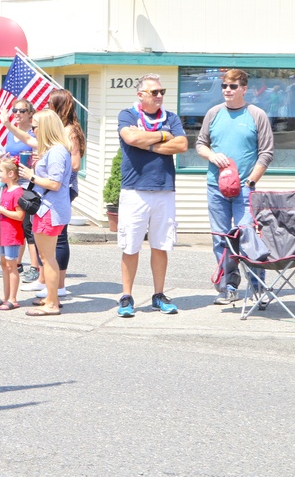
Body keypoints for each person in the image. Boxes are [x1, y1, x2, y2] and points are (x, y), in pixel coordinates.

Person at [195, 69, 274, 304]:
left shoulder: (256, 114)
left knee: (247, 235)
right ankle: (229, 286)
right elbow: (200, 144)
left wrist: (250, 181)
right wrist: (211, 156)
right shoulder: (213, 113)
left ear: (244, 89)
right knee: (221, 239)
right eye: (224, 86)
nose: (227, 90)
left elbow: (266, 153)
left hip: (245, 189)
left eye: (232, 86)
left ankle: (258, 287)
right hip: (215, 187)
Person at [115, 73, 188, 317]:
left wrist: (148, 142)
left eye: (161, 92)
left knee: (161, 245)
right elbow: (131, 137)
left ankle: (159, 295)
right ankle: (126, 297)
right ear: (141, 95)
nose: (159, 96)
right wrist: (164, 136)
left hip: (164, 189)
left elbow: (181, 145)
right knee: (131, 246)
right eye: (154, 92)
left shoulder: (172, 117)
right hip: (135, 190)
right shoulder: (128, 115)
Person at [18, 110, 71, 317]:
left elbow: (55, 183)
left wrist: (31, 176)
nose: (33, 130)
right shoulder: (54, 150)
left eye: (35, 126)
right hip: (49, 208)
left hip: (50, 209)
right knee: (46, 257)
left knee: (47, 258)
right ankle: (51, 297)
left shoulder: (57, 151)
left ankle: (51, 304)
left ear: (46, 127)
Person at [0, 98, 39, 281]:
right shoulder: (10, 134)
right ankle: (17, 263)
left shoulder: (33, 134)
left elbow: (39, 155)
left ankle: (35, 266)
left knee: (27, 225)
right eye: (15, 110)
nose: (17, 113)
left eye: (22, 111)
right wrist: (4, 158)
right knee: (14, 224)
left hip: (27, 183)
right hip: (11, 183)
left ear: (30, 113)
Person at [0, 158, 25, 311]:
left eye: (1, 171)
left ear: (11, 173)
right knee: (4, 265)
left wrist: (1, 210)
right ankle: (5, 295)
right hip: (3, 233)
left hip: (12, 234)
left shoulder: (17, 192)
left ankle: (13, 298)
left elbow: (20, 215)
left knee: (12, 266)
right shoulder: (5, 190)